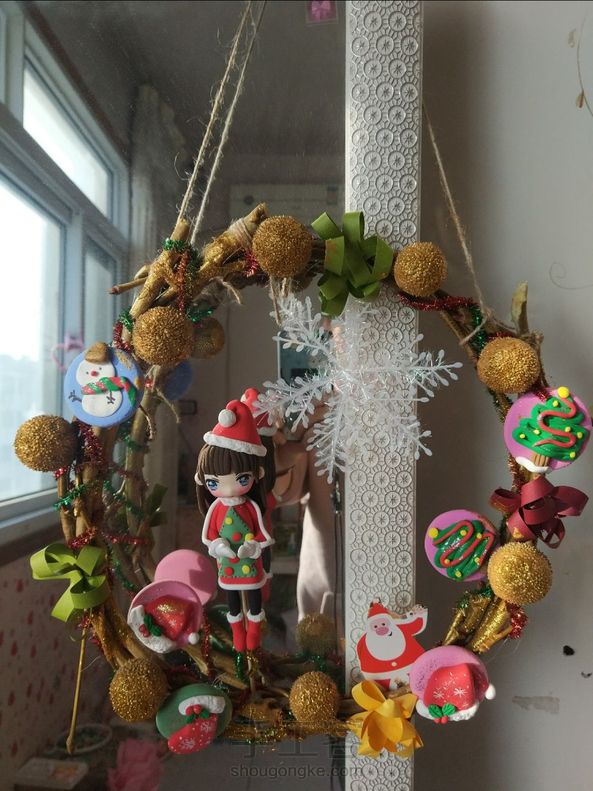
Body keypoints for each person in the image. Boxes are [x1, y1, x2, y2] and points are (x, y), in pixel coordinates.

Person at [195, 400, 273, 652]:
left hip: (249, 563)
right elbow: (209, 535)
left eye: (240, 479)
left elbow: (261, 533)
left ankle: (254, 628)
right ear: (203, 480)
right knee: (232, 600)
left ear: (256, 475)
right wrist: (218, 546)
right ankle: (237, 630)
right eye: (214, 482)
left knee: (254, 596)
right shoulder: (216, 509)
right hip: (228, 565)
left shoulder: (250, 507)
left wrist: (253, 546)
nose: (227, 489)